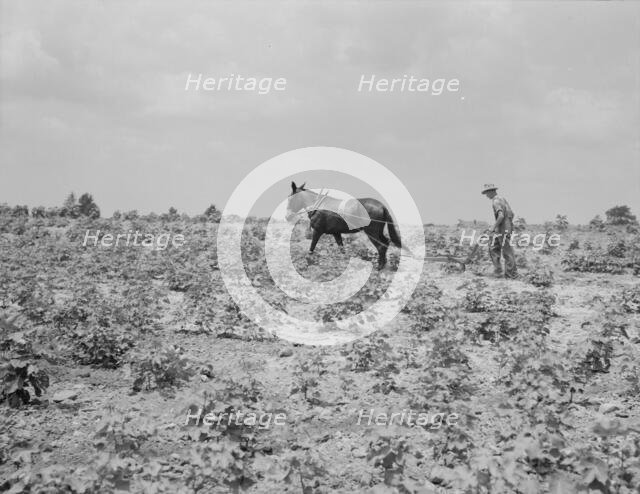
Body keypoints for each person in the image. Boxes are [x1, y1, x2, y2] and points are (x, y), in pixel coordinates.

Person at [481, 184, 517, 279]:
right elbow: (511, 214)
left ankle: (510, 275)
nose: (486, 196)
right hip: (505, 229)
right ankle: (499, 272)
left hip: (502, 230)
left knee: (506, 252)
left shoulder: (495, 201)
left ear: (491, 192)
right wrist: (506, 225)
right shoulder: (503, 199)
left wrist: (494, 227)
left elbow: (500, 216)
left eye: (487, 193)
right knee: (494, 248)